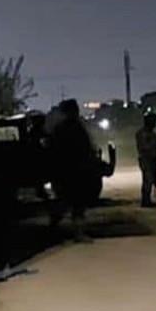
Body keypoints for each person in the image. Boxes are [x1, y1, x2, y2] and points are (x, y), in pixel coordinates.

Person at [49, 99, 96, 242]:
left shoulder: (61, 128)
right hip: (73, 172)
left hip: (67, 172)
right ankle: (77, 233)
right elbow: (85, 149)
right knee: (75, 204)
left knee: (67, 203)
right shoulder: (74, 128)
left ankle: (56, 228)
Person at [135, 112, 156, 207]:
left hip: (150, 159)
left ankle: (147, 200)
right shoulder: (144, 134)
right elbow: (144, 147)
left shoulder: (149, 134)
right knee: (148, 180)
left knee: (149, 180)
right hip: (146, 159)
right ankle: (145, 201)